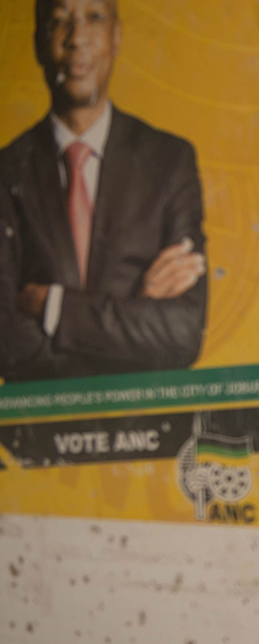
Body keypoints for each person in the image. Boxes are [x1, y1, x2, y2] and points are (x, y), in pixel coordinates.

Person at [0, 0, 208, 381]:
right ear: (38, 43)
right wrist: (132, 316)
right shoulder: (7, 171)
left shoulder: (168, 161)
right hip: (39, 431)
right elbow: (7, 344)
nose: (77, 39)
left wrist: (54, 307)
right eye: (60, 22)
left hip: (145, 429)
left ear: (116, 35)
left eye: (93, 18)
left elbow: (182, 330)